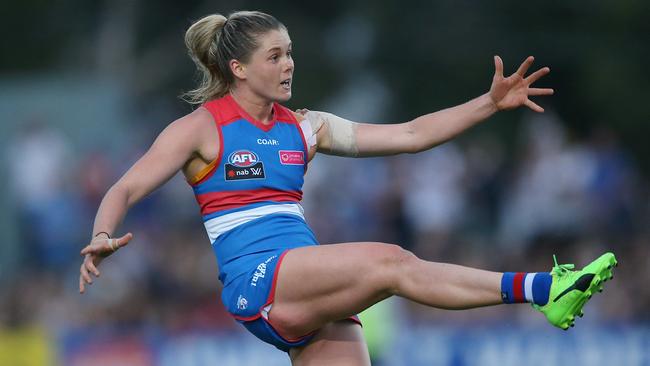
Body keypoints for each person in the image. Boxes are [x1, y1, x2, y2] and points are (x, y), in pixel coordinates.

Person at [78, 11, 617, 365]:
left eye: (290, 51)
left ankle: (545, 293)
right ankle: (544, 290)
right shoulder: (201, 127)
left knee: (392, 268)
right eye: (274, 56)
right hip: (258, 281)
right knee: (392, 262)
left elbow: (409, 135)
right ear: (237, 67)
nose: (288, 63)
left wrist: (489, 104)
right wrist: (103, 233)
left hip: (308, 289)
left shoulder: (306, 127)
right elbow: (125, 188)